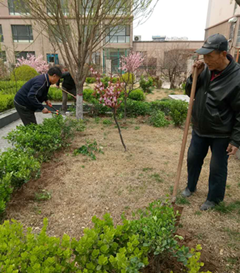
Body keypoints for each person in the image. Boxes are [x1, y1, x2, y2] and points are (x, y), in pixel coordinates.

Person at [182, 33, 240, 210]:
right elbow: (188, 91)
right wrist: (194, 75)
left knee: (217, 167)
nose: (205, 59)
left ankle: (214, 198)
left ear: (223, 54)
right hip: (200, 127)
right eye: (204, 55)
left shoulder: (237, 77)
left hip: (221, 132)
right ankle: (190, 187)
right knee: (193, 159)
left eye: (209, 55)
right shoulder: (205, 69)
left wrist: (236, 140)